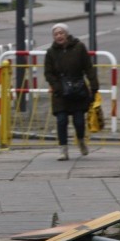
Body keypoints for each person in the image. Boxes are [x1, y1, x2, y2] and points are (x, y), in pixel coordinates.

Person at [44, 22, 99, 161]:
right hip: (60, 92)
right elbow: (48, 73)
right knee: (61, 120)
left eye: (61, 33)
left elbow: (88, 67)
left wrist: (94, 86)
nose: (59, 36)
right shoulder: (50, 52)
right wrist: (57, 86)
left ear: (67, 34)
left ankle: (80, 140)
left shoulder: (79, 47)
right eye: (56, 34)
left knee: (79, 121)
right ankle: (63, 150)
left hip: (78, 90)